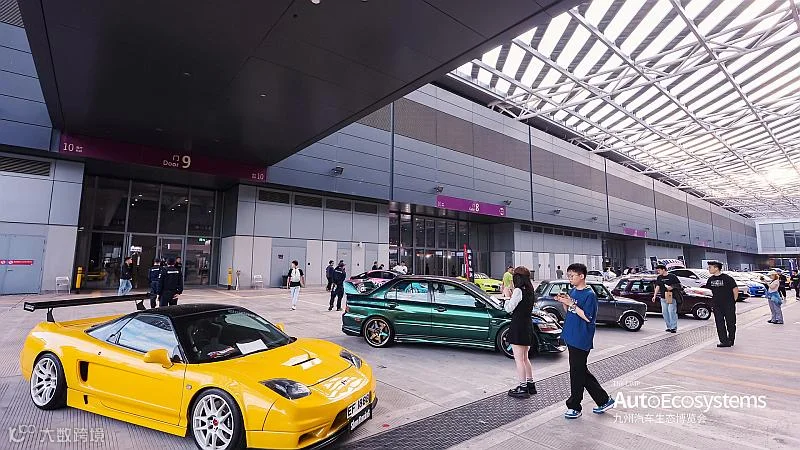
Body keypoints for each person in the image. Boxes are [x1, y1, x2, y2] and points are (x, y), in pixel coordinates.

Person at [556, 263, 614, 419]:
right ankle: (603, 400)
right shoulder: (573, 291)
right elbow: (569, 311)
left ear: (581, 276)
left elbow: (588, 317)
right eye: (568, 276)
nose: (570, 278)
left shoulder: (590, 295)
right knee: (580, 370)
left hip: (581, 337)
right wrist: (564, 302)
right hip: (571, 334)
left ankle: (574, 406)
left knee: (577, 372)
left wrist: (572, 304)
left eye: (572, 276)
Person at [503, 266, 537, 398]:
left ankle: (522, 387)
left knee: (519, 359)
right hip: (527, 325)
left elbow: (509, 309)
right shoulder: (530, 290)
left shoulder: (518, 290)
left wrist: (507, 296)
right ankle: (530, 385)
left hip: (518, 326)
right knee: (525, 358)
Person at [704, 261, 738, 347]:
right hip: (717, 305)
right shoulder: (710, 279)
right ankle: (724, 341)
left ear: (716, 268)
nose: (709, 269)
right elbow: (708, 291)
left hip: (728, 304)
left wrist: (733, 301)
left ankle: (731, 339)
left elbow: (735, 289)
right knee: (719, 323)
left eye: (710, 267)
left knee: (730, 322)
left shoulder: (727, 278)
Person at [652, 264, 680, 333]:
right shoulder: (659, 277)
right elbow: (657, 286)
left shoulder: (672, 276)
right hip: (663, 297)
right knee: (665, 313)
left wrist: (672, 287)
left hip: (672, 297)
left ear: (663, 269)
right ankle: (669, 327)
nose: (658, 272)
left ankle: (673, 327)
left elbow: (679, 285)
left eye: (659, 270)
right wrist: (654, 295)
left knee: (671, 311)